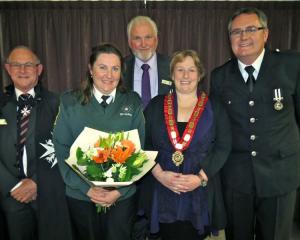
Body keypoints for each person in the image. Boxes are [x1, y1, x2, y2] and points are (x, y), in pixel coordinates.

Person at [211, 7, 300, 240]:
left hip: (280, 174)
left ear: (266, 33)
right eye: (236, 32)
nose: (243, 37)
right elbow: (218, 130)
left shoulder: (291, 66)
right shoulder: (219, 76)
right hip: (236, 177)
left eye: (251, 29)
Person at [53, 43, 145, 240]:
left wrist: (119, 190)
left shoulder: (132, 102)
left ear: (122, 72)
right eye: (102, 67)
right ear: (90, 69)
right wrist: (87, 189)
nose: (109, 75)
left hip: (121, 198)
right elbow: (61, 150)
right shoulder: (70, 102)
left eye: (115, 68)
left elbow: (140, 151)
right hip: (81, 195)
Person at [140, 49, 231, 240]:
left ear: (200, 75)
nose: (185, 75)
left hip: (199, 190)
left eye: (191, 70)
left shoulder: (215, 106)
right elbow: (143, 143)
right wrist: (159, 174)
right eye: (180, 70)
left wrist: (200, 178)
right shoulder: (156, 105)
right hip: (162, 188)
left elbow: (223, 146)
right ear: (172, 75)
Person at [0, 46, 72, 240]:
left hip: (49, 194)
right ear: (8, 69)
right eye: (16, 65)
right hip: (9, 197)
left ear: (39, 70)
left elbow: (66, 148)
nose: (22, 70)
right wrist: (12, 187)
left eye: (28, 65)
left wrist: (36, 182)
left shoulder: (58, 104)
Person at [124, 15, 172, 107]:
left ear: (156, 40)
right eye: (137, 38)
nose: (143, 44)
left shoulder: (172, 66)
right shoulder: (120, 68)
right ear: (130, 43)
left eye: (148, 37)